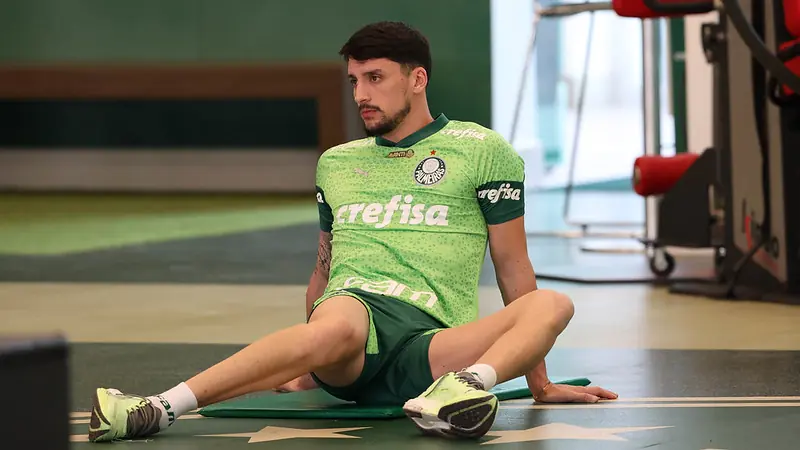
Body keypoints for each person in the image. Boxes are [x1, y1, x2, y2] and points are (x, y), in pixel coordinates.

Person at [87, 21, 617, 443]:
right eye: (354, 81)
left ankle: (462, 390)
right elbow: (323, 269)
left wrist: (539, 381)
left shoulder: (482, 150)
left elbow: (513, 267)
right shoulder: (337, 163)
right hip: (353, 320)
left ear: (417, 79)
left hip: (433, 346)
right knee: (339, 319)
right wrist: (309, 365)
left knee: (553, 304)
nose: (362, 93)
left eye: (375, 78)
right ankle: (157, 407)